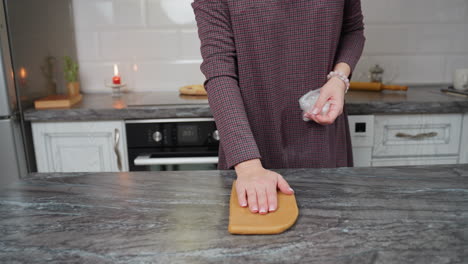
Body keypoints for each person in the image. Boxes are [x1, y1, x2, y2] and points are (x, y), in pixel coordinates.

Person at [192, 0, 365, 214]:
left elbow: (353, 31)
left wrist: (339, 78)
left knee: (330, 231)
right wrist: (248, 166)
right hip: (252, 144)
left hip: (324, 136)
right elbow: (219, 71)